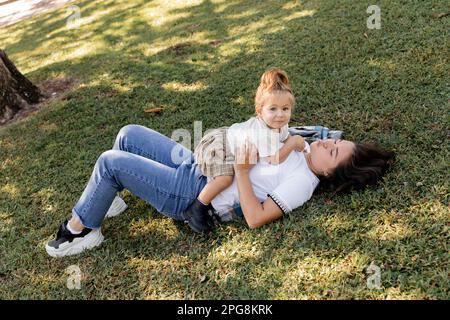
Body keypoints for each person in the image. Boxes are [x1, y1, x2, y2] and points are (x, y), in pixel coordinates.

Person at [45, 124, 394, 258]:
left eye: (333, 151)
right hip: (200, 163)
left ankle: (82, 230)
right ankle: (107, 201)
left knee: (110, 162)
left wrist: (241, 171)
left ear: (331, 173)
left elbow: (256, 218)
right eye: (335, 142)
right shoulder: (305, 147)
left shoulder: (304, 183)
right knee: (127, 135)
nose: (328, 145)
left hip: (193, 192)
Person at [186, 68, 305, 233]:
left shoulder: (281, 125)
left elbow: (284, 138)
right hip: (220, 143)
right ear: (259, 111)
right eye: (273, 109)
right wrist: (293, 144)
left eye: (285, 109)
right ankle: (197, 208)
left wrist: (297, 143)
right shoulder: (262, 132)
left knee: (228, 176)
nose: (280, 115)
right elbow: (274, 159)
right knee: (225, 179)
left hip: (229, 145)